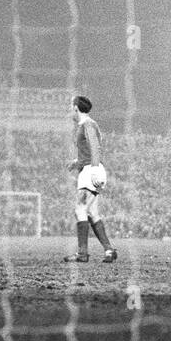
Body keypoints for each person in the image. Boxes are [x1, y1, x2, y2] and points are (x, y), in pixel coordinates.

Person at [65, 95, 117, 263]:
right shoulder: (84, 125)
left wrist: (93, 169)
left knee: (79, 209)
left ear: (75, 108)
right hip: (89, 169)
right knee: (92, 213)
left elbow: (95, 146)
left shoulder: (88, 124)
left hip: (91, 172)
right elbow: (88, 150)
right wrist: (76, 162)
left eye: (70, 107)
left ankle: (82, 254)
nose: (70, 111)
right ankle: (109, 250)